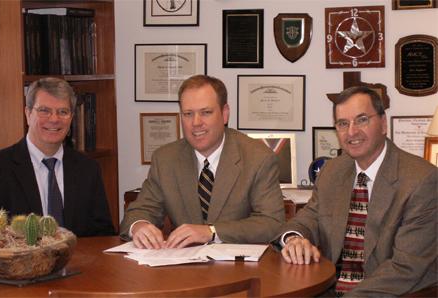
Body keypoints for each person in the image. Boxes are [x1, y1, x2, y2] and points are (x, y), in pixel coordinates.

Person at [275, 86, 437, 296]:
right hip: (329, 289)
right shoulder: (333, 171)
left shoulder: (421, 180)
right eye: (343, 123)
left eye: (362, 120)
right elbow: (306, 220)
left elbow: (406, 267)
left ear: (383, 124)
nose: (351, 132)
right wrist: (293, 239)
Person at [120, 74, 285, 249]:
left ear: (225, 114)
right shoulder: (165, 159)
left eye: (206, 112)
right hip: (183, 269)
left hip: (238, 267)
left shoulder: (258, 158)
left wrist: (211, 232)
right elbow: (139, 211)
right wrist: (139, 226)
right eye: (188, 114)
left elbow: (272, 223)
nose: (196, 123)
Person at [0, 77, 115, 237]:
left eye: (63, 112)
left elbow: (103, 235)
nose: (54, 119)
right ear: (28, 113)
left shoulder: (88, 169)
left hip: (80, 260)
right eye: (44, 111)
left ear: (71, 118)